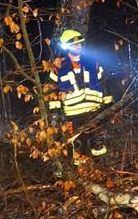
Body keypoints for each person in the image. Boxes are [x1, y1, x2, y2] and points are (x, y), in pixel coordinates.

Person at [48, 29, 112, 161]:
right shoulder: (58, 67)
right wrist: (55, 115)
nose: (78, 46)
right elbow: (52, 92)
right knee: (78, 147)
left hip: (95, 111)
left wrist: (108, 107)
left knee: (99, 146)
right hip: (73, 114)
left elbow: (105, 86)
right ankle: (81, 177)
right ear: (66, 47)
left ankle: (102, 174)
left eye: (79, 44)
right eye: (74, 44)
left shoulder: (93, 63)